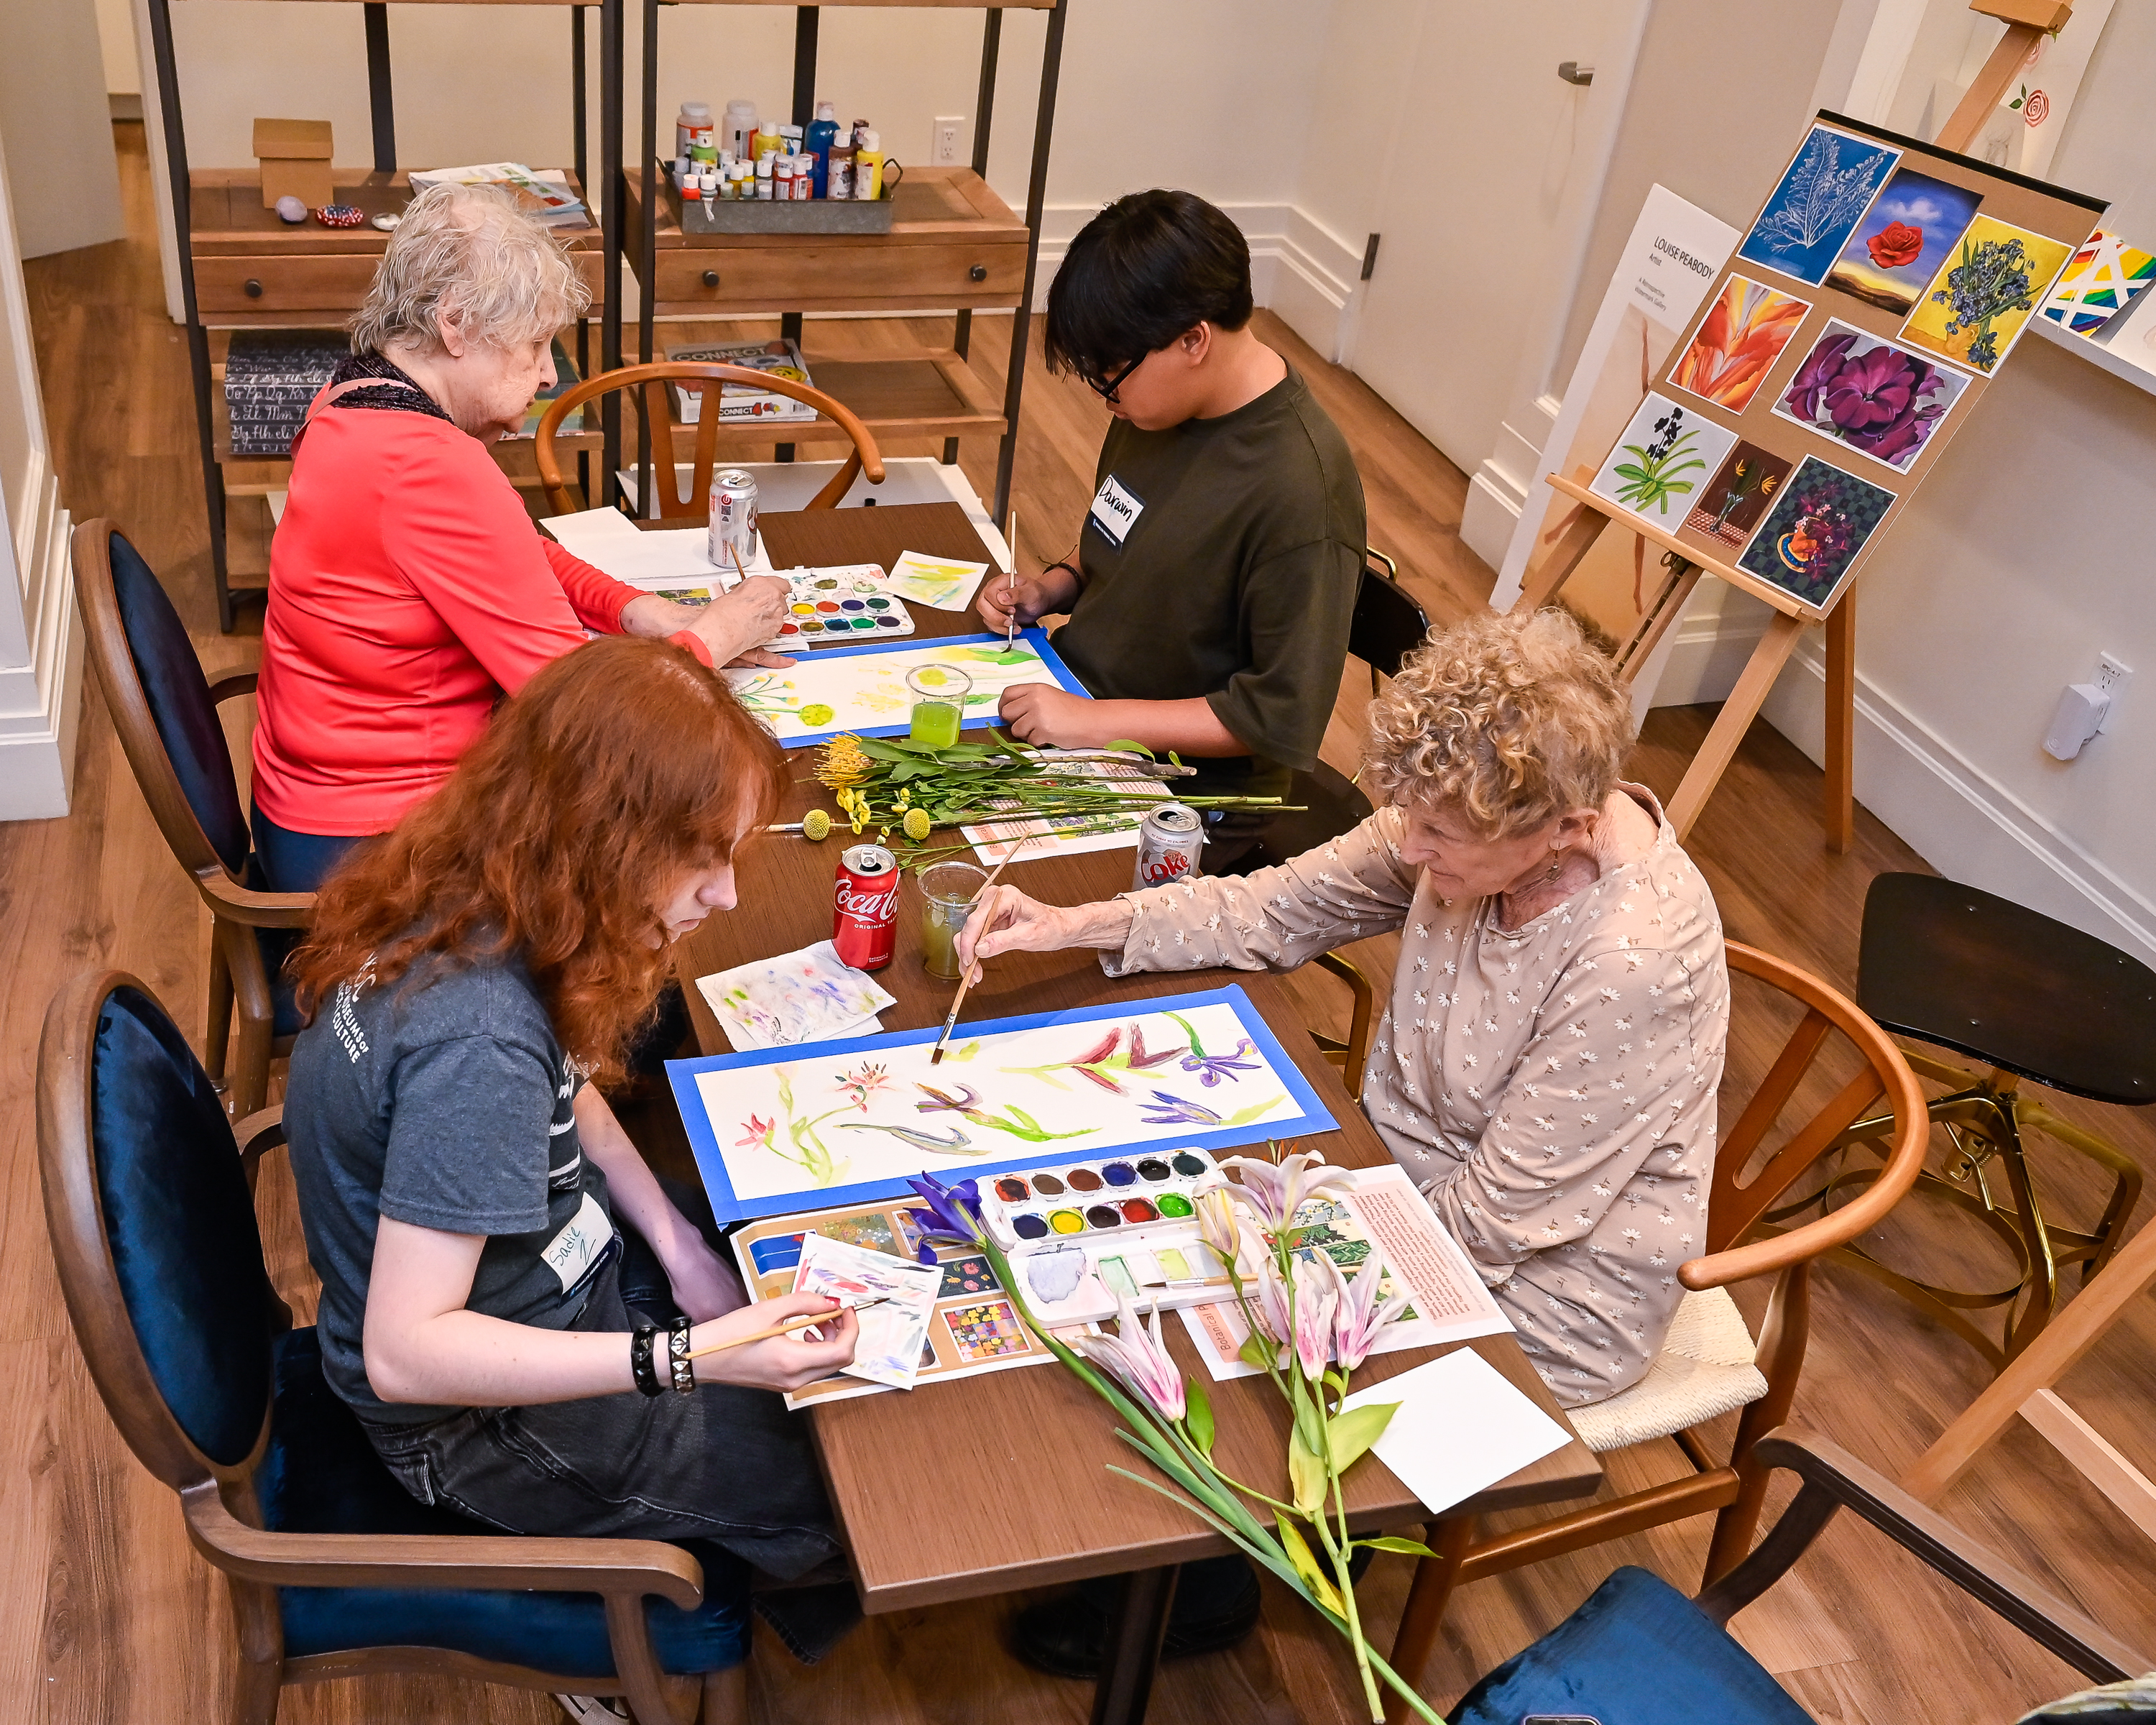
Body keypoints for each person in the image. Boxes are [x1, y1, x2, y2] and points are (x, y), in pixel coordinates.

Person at [958, 608, 1731, 1675]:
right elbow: (1273, 908)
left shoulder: (1630, 959)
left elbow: (1498, 1226)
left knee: (1210, 1307)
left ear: (1567, 827)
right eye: (1405, 818)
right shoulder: (1462, 813)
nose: (1409, 851)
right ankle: (1237, 1526)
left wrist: (1285, 1258)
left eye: (1438, 839)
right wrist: (1070, 924)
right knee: (1174, 1252)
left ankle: (1234, 1570)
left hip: (1548, 1283)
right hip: (1387, 1178)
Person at [282, 635, 860, 1662]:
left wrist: (682, 1254)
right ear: (606, 840)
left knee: (768, 1231)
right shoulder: (477, 1048)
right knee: (866, 1476)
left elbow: (570, 1097)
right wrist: (693, 1358)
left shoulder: (476, 886)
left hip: (557, 1283)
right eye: (707, 858)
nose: (725, 896)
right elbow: (406, 1354)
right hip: (481, 1425)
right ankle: (648, 1641)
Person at [250, 183, 793, 894]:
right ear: (455, 327)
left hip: (309, 808)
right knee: (656, 854)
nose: (546, 373)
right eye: (536, 344)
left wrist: (638, 611)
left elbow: (508, 551)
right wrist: (712, 640)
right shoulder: (431, 467)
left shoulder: (350, 399)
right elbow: (586, 725)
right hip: (377, 851)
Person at [975, 189, 1366, 799]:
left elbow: (1278, 715)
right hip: (1070, 696)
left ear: (1193, 340)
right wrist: (1051, 587)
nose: (1107, 400)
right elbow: (1127, 538)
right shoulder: (1153, 410)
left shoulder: (1301, 490)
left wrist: (1093, 722)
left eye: (1112, 378)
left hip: (1183, 787)